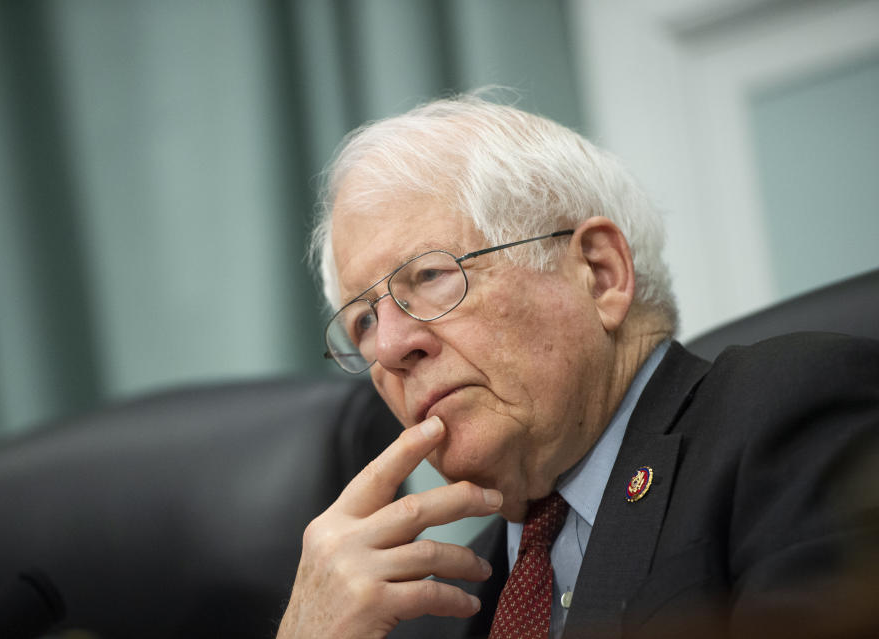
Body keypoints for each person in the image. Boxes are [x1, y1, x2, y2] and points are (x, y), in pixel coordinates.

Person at [276, 94, 879, 639]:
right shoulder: (428, 609)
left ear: (599, 273)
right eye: (364, 321)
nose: (389, 347)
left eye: (430, 276)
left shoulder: (785, 415)